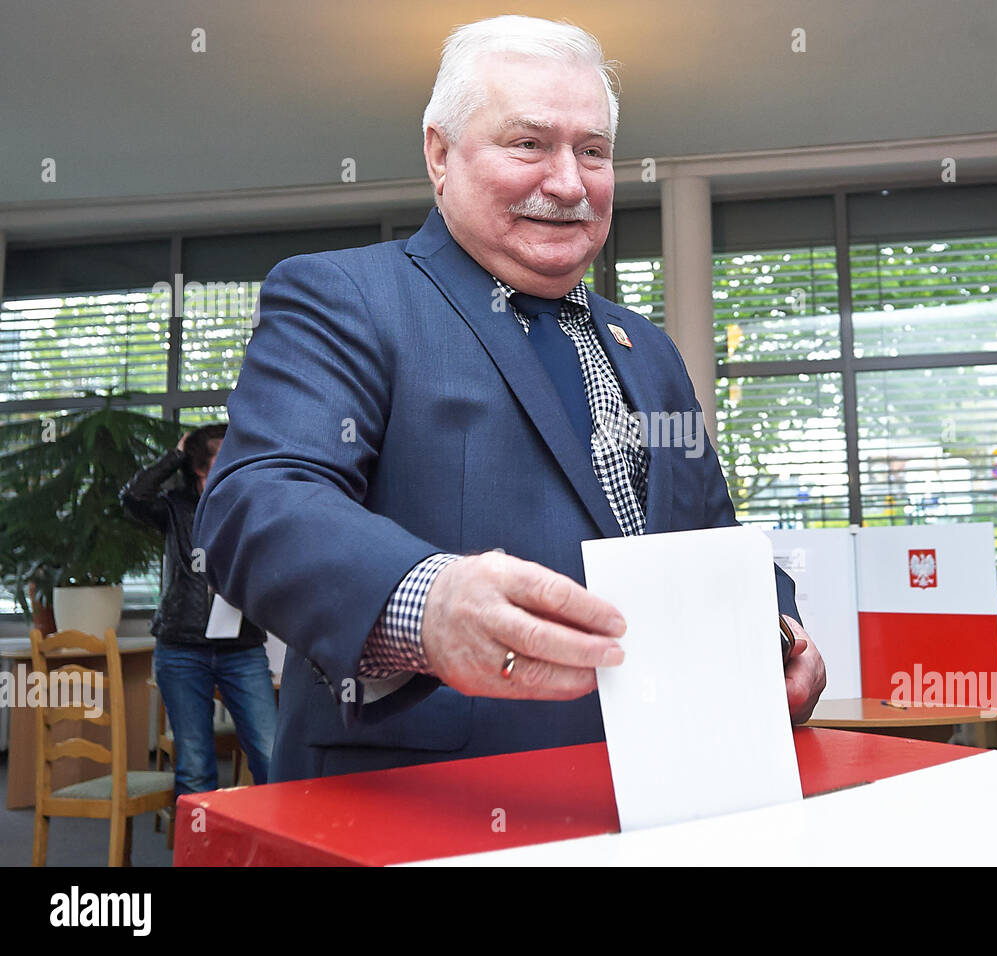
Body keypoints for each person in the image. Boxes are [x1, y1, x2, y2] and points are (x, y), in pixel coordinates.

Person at [194, 14, 826, 783]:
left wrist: (778, 630)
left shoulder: (650, 351)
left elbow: (715, 538)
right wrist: (424, 604)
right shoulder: (348, 296)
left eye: (592, 151)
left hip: (661, 789)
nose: (567, 182)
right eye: (529, 143)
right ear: (439, 152)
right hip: (422, 807)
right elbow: (256, 503)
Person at [120, 424, 278, 795]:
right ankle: (200, 850)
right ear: (200, 466)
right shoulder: (175, 508)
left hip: (242, 648)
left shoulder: (253, 501)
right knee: (194, 768)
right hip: (181, 647)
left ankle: (277, 849)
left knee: (271, 755)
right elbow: (133, 496)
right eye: (225, 451)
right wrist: (175, 454)